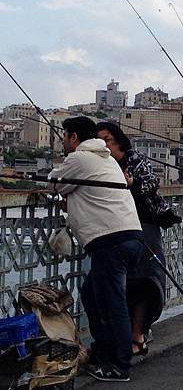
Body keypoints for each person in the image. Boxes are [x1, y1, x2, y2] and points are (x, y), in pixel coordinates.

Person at [48, 116, 143, 382]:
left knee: (113, 304)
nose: (63, 141)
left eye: (65, 136)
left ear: (74, 137)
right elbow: (83, 190)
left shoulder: (80, 159)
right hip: (130, 237)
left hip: (111, 241)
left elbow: (55, 184)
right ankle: (102, 352)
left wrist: (60, 186)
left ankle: (119, 365)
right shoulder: (106, 159)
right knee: (92, 294)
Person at [97, 122, 169, 357]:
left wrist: (131, 185)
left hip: (144, 225)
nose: (103, 144)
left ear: (118, 140)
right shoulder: (103, 163)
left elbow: (151, 185)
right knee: (125, 285)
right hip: (117, 230)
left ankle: (138, 334)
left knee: (147, 282)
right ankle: (126, 335)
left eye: (106, 139)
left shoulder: (135, 160)